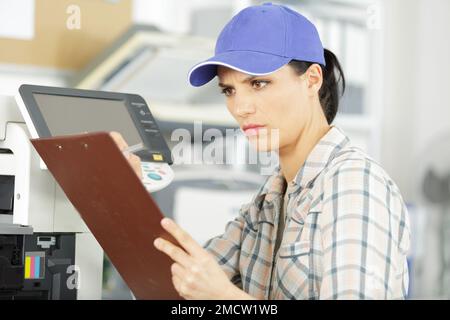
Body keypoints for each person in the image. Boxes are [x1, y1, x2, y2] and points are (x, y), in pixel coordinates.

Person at [112, 3, 410, 300]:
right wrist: (125, 195)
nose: (241, 108)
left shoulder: (354, 186)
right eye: (229, 90)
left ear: (312, 80)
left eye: (258, 83)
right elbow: (173, 288)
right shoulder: (267, 203)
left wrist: (225, 297)